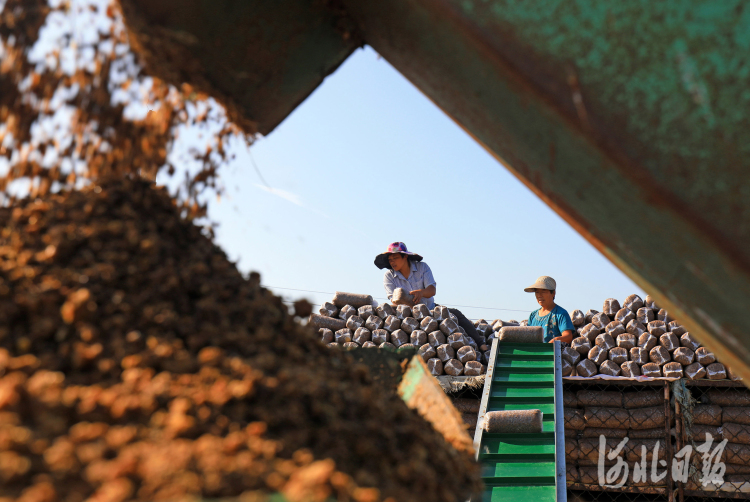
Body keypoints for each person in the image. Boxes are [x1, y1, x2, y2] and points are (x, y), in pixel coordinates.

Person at [374, 242, 487, 350]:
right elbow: (393, 299)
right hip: (404, 314)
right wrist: (406, 301)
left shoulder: (422, 268)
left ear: (405, 257)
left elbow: (432, 290)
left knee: (456, 314)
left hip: (430, 309)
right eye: (390, 260)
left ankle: (481, 345)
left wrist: (421, 293)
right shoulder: (388, 276)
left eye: (395, 258)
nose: (392, 262)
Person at [524, 275, 575, 344]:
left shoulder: (561, 313)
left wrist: (555, 340)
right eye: (537, 292)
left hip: (551, 353)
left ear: (553, 293)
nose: (539, 295)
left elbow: (568, 336)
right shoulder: (533, 315)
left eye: (543, 291)